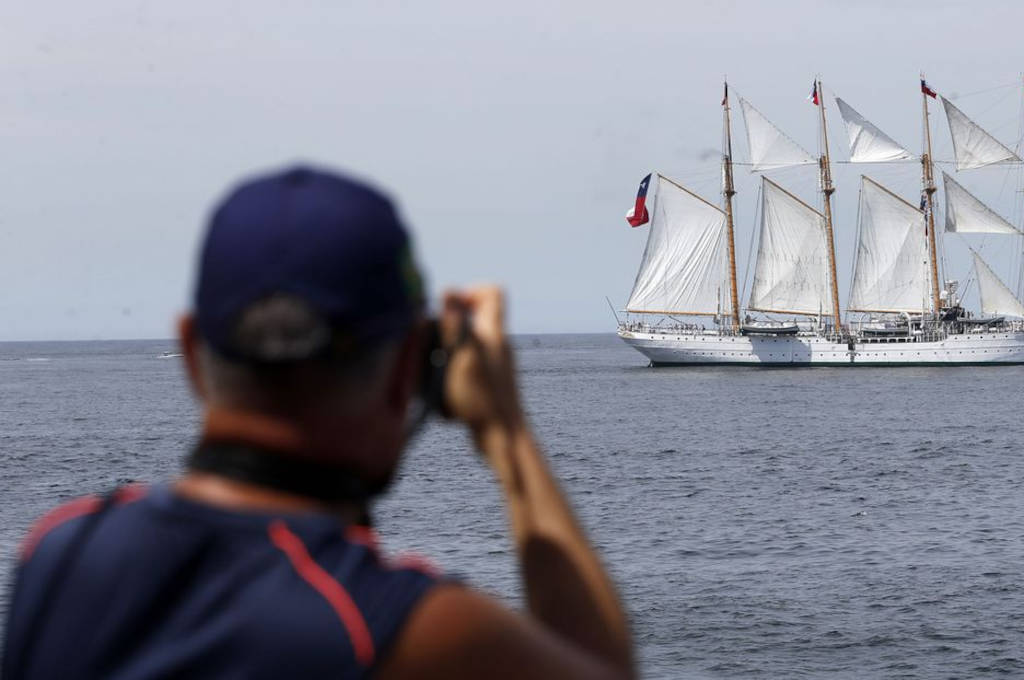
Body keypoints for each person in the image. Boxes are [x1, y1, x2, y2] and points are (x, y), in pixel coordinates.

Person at [3, 166, 635, 679]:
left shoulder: (58, 553)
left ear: (193, 354)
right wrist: (506, 431)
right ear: (406, 370)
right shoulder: (408, 628)